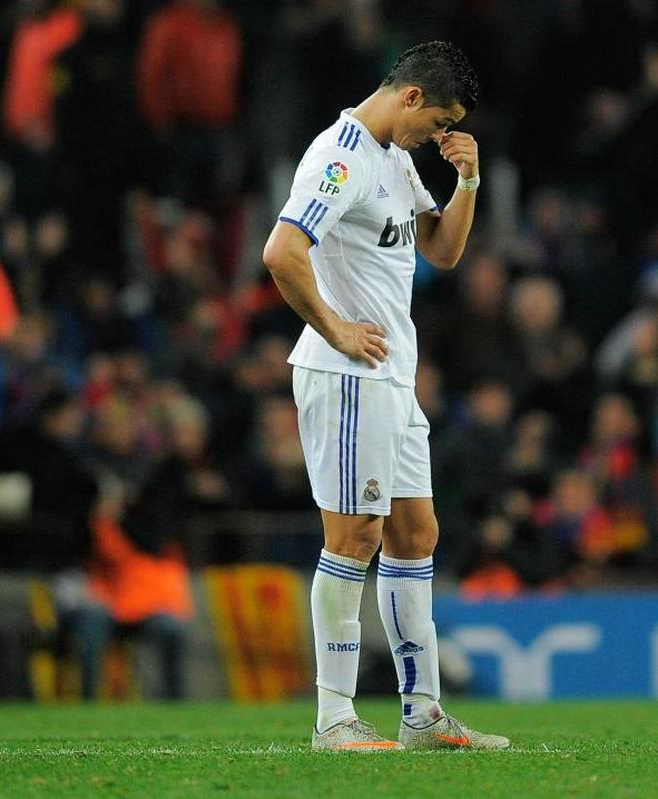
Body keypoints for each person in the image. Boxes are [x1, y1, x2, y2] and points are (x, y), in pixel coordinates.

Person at [261, 41, 509, 751]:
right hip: (347, 375)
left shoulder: (397, 161)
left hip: (392, 377)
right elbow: (281, 251)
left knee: (414, 533)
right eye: (439, 121)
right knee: (354, 537)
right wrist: (336, 327)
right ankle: (333, 717)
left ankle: (422, 714)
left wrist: (468, 182)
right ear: (409, 97)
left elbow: (440, 250)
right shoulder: (339, 157)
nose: (441, 135)